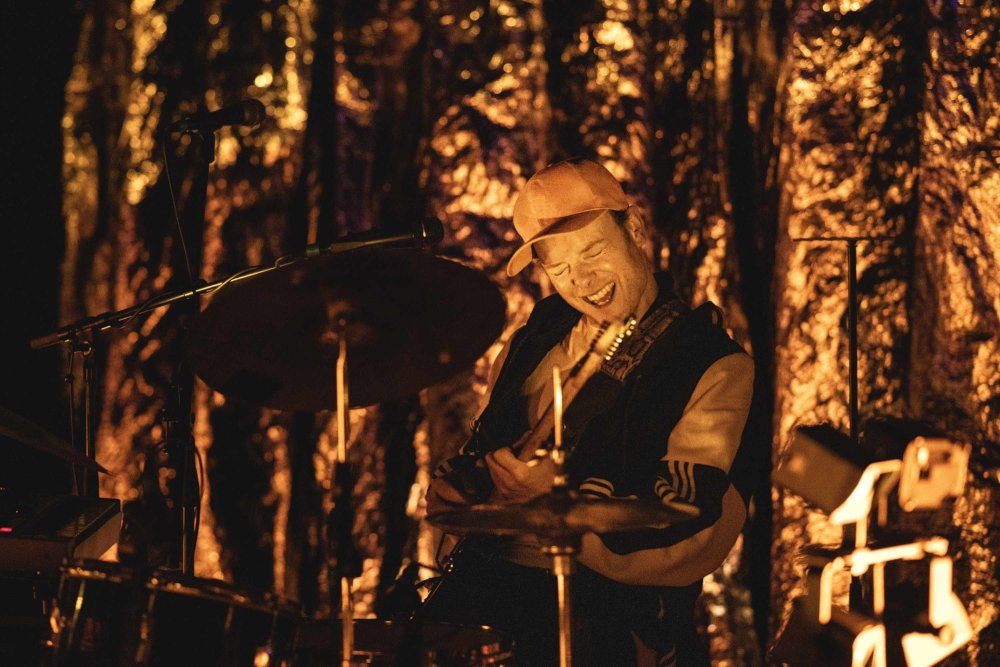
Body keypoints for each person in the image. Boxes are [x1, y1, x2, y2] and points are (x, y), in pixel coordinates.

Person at [420, 158, 758, 666]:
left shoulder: (710, 363)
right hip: (486, 598)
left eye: (594, 251)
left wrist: (556, 501)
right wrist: (461, 491)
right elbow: (485, 454)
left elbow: (695, 531)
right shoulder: (530, 343)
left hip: (604, 619)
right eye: (559, 268)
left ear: (634, 228)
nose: (582, 279)